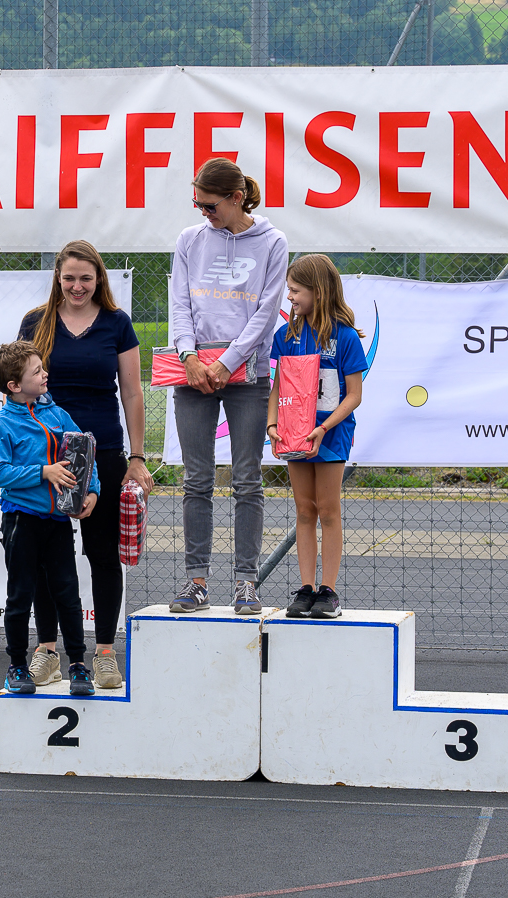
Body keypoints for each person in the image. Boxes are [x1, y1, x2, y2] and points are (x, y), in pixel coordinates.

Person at [18, 240, 153, 690]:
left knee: (103, 555)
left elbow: (132, 392)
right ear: (57, 278)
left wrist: (136, 457)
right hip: (47, 456)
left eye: (86, 279)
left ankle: (106, 654)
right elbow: (19, 388)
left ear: (99, 280)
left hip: (104, 453)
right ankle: (47, 652)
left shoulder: (117, 323)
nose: (77, 287)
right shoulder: (35, 322)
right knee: (46, 559)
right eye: (69, 278)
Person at [168, 157, 288, 615]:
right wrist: (188, 356)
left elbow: (266, 312)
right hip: (194, 373)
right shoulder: (189, 240)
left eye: (211, 205)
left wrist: (228, 362)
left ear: (237, 198)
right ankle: (196, 582)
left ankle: (246, 584)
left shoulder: (273, 242)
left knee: (247, 480)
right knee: (196, 479)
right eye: (197, 204)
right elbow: (180, 302)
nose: (204, 213)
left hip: (246, 376)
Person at [0, 340, 99, 695]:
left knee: (68, 593)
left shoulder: (57, 415)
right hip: (22, 520)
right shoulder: (3, 424)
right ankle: (17, 666)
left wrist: (92, 491)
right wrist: (43, 472)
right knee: (20, 595)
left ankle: (78, 665)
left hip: (58, 522)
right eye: (37, 371)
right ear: (14, 386)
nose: (45, 374)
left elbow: (85, 452)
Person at [266, 254, 366, 618]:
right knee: (304, 510)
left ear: (318, 291)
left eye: (296, 290)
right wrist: (272, 425)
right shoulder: (285, 336)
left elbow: (354, 395)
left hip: (330, 435)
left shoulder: (345, 337)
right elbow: (278, 386)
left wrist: (323, 428)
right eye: (289, 290)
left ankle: (329, 591)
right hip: (295, 434)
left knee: (328, 509)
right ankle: (306, 589)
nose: (290, 297)